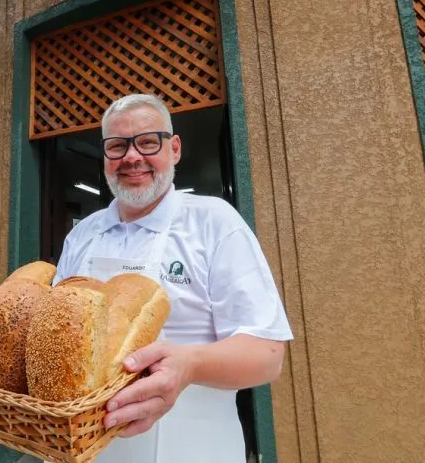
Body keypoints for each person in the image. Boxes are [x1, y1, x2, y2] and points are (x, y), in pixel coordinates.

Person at [53, 93, 293, 462]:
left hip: (195, 449)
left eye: (148, 142)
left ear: (174, 148)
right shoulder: (82, 234)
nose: (132, 157)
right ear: (105, 157)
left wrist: (189, 366)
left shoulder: (215, 222)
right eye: (117, 146)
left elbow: (267, 355)